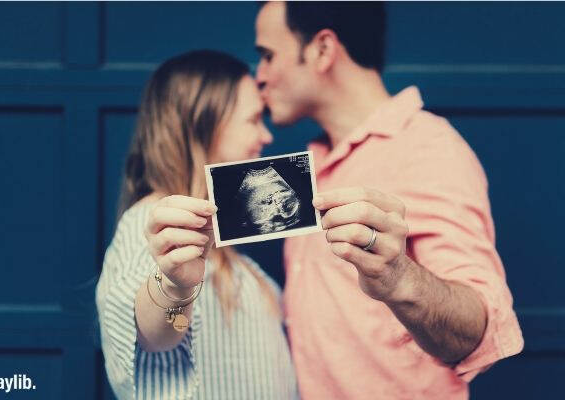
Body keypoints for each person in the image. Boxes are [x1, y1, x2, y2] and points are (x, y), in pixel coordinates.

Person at [254, 2, 524, 399]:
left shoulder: (427, 148)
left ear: (323, 50)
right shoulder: (308, 166)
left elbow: (477, 332)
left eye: (267, 55)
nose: (258, 76)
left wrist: (398, 277)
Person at [95, 50, 298, 400]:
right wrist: (176, 289)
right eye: (253, 120)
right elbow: (158, 334)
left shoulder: (224, 249)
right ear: (202, 125)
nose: (266, 136)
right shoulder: (154, 225)